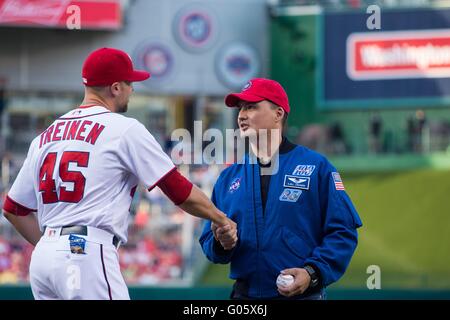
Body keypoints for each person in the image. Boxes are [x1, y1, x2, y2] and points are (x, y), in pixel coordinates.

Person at [1, 47, 236, 300]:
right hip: (85, 253)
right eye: (129, 82)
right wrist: (220, 218)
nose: (132, 89)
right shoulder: (124, 129)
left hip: (44, 259)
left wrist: (52, 247)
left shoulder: (46, 136)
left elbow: (13, 209)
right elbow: (177, 189)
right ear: (115, 88)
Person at [199, 78, 362, 300]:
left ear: (278, 113)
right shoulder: (228, 178)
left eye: (251, 106)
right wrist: (221, 243)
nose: (242, 115)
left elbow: (343, 231)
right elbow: (208, 239)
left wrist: (312, 273)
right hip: (245, 298)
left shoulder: (317, 167)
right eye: (240, 108)